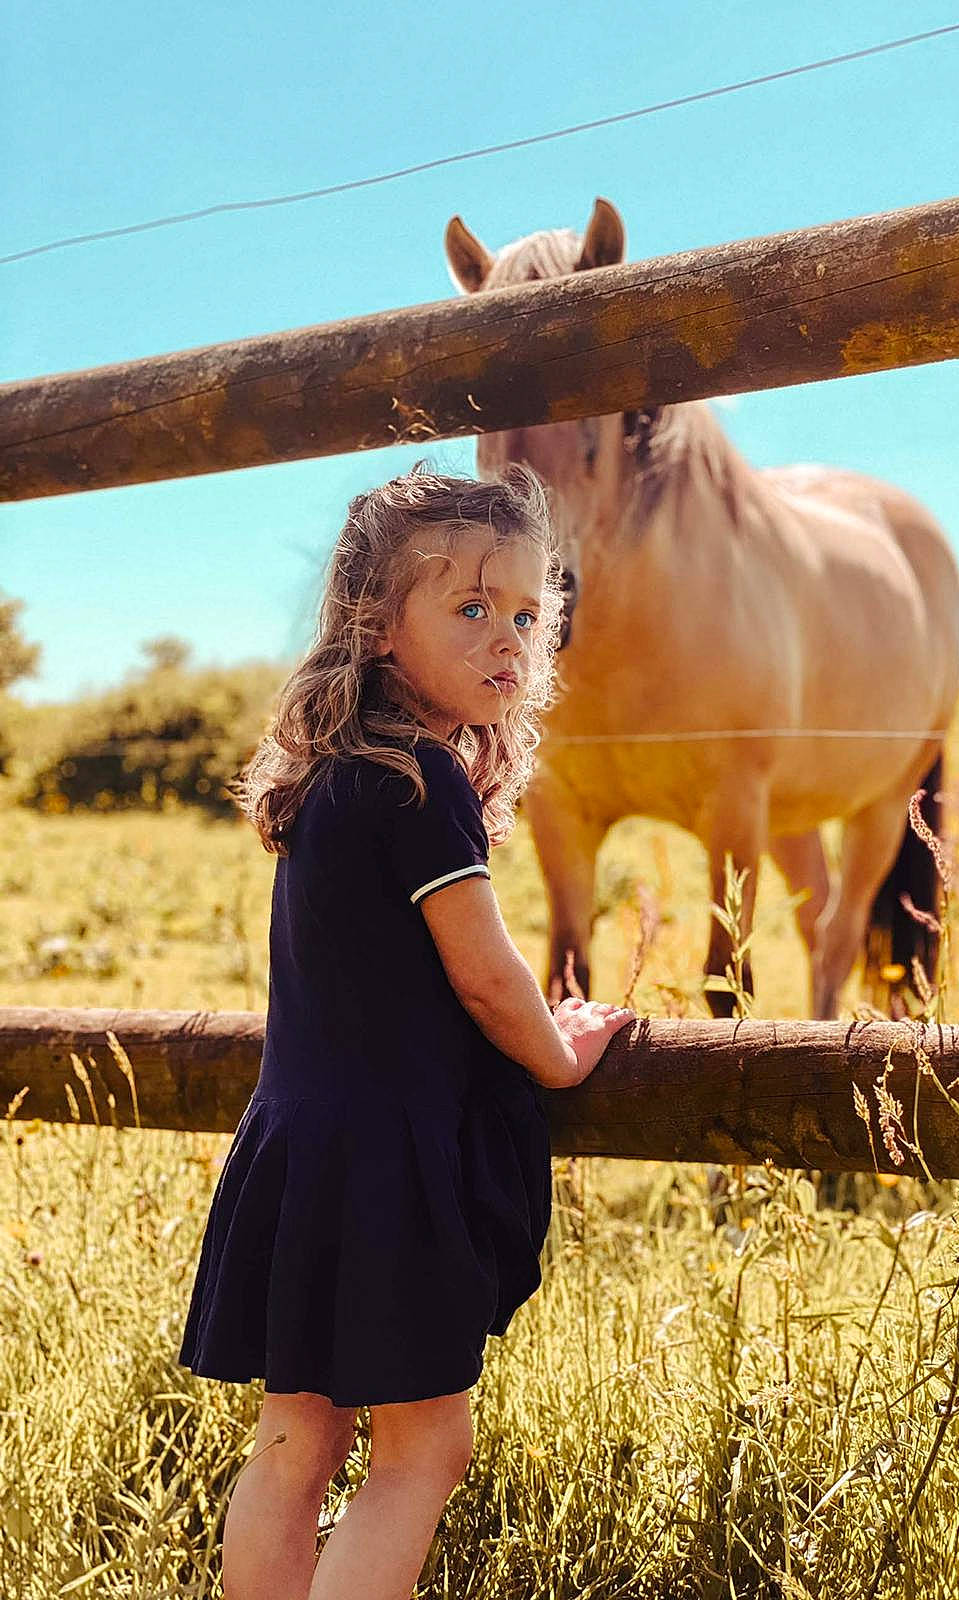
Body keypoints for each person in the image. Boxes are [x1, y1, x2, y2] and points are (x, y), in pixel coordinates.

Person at [176, 462, 637, 1600]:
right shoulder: (421, 777)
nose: (509, 638)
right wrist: (560, 1046)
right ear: (378, 627)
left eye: (531, 614)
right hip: (387, 1168)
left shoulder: (336, 777)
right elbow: (485, 977)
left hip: (298, 1153)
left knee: (298, 1442)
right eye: (472, 607)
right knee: (424, 1448)